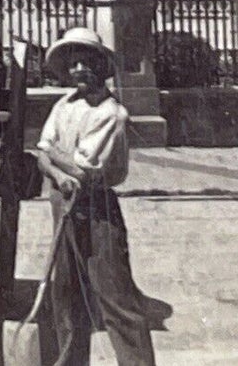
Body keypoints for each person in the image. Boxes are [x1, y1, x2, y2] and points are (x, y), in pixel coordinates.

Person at [32, 25, 156, 366]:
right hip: (62, 203)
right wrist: (57, 170)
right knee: (66, 293)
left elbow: (83, 170)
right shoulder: (63, 106)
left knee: (115, 297)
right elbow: (42, 155)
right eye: (73, 63)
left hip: (96, 208)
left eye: (86, 62)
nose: (78, 69)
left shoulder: (111, 114)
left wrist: (56, 158)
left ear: (102, 67)